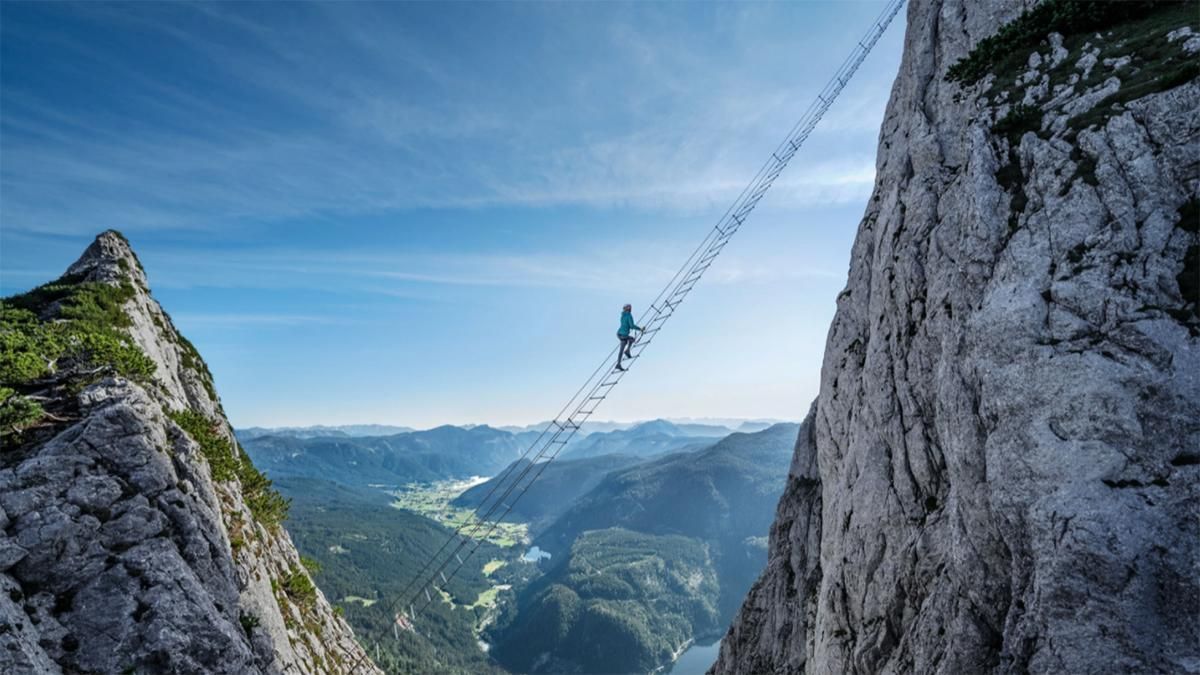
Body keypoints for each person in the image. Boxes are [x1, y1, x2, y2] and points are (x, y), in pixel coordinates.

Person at [616, 304, 642, 371]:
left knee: (622, 349)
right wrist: (640, 329)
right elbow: (632, 326)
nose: (631, 309)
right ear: (628, 309)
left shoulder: (623, 315)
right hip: (624, 335)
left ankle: (619, 363)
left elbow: (626, 325)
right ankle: (627, 351)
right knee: (632, 339)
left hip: (619, 334)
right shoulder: (629, 315)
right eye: (630, 308)